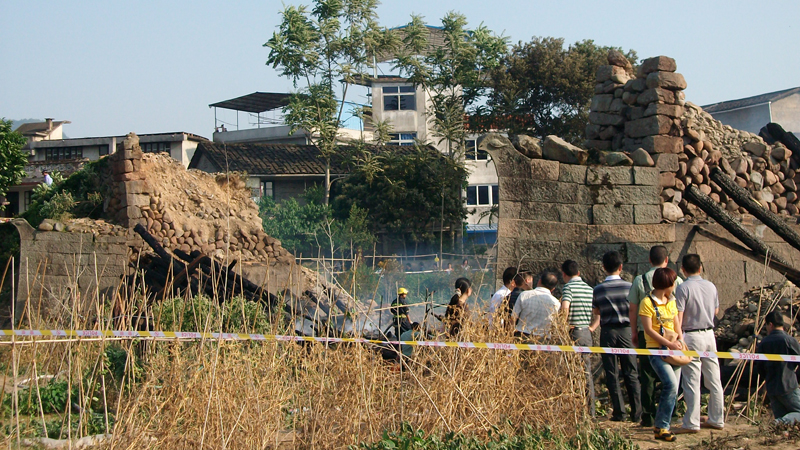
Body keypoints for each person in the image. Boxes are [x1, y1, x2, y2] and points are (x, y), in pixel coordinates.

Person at [627, 245, 683, 427]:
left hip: (646, 333)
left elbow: (633, 308)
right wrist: (679, 336)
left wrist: (634, 332)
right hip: (671, 335)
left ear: (649, 260)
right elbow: (679, 310)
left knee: (647, 375)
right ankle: (671, 412)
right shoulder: (677, 280)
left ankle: (649, 414)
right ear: (666, 260)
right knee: (673, 375)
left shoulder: (639, 280)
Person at [674, 254, 725, 433]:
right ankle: (717, 418)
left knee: (692, 381)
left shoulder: (683, 288)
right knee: (714, 379)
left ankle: (692, 422)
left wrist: (679, 338)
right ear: (700, 268)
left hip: (692, 335)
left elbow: (679, 315)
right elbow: (716, 309)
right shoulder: (710, 286)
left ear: (683, 269)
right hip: (709, 334)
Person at [590, 251, 642, 423]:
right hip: (627, 331)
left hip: (608, 331)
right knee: (631, 372)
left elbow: (596, 311)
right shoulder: (630, 287)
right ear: (621, 267)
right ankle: (637, 412)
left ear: (603, 267)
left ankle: (619, 412)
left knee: (611, 372)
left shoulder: (598, 289)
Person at [639, 267, 683, 442]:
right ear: (667, 284)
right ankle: (662, 425)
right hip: (657, 350)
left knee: (674, 387)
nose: (674, 286)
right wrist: (669, 343)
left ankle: (663, 425)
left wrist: (680, 339)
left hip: (674, 349)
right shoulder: (647, 302)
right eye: (672, 282)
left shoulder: (671, 301)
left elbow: (676, 323)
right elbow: (648, 330)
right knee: (670, 384)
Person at [560, 260, 595, 417]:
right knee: (586, 371)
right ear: (579, 273)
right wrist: (592, 327)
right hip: (587, 332)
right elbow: (597, 312)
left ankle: (579, 411)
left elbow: (565, 308)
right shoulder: (589, 289)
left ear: (564, 274)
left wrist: (562, 326)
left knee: (574, 372)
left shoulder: (568, 288)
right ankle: (590, 410)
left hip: (574, 333)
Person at [756, 311, 800, 424]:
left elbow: (759, 367)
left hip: (772, 388)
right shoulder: (789, 340)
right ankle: (780, 422)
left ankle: (779, 424)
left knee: (782, 427)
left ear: (770, 324)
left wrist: (767, 378)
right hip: (788, 386)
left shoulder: (764, 343)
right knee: (785, 421)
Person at [513, 271, 560, 339]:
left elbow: (513, 317)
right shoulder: (556, 303)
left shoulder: (524, 295)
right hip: (543, 339)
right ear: (553, 289)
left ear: (539, 281)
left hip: (522, 336)